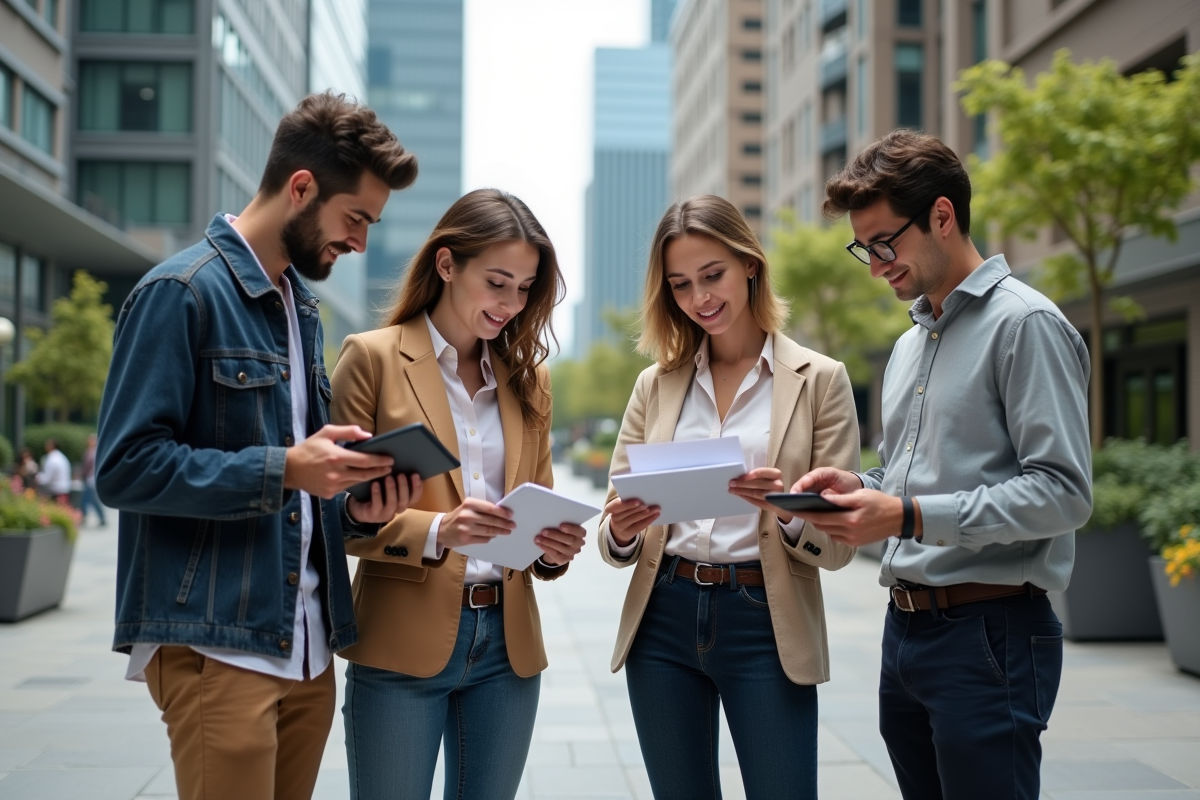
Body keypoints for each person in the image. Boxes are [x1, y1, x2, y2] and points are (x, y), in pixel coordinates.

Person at [95, 92, 422, 800]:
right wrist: (287, 467)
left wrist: (355, 507)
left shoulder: (299, 309)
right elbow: (123, 468)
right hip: (219, 646)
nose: (361, 241)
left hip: (305, 648)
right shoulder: (180, 292)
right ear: (301, 187)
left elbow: (298, 496)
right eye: (355, 218)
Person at [788, 130, 1092, 800]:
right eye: (862, 249)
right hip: (907, 634)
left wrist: (907, 514)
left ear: (943, 217)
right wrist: (858, 488)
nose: (874, 266)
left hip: (992, 634)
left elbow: (1064, 493)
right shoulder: (907, 346)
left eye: (884, 244)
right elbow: (903, 480)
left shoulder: (1025, 326)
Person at [598, 195, 861, 800]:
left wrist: (789, 509)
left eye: (712, 275)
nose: (700, 298)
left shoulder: (819, 380)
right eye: (681, 284)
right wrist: (626, 528)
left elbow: (841, 542)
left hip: (765, 616)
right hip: (662, 614)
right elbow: (613, 537)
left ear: (749, 264)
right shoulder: (655, 384)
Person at [330, 188, 587, 800]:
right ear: (447, 264)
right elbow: (329, 516)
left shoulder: (530, 381)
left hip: (508, 647)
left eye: (524, 289)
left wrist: (552, 548)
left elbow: (539, 503)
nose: (510, 304)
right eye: (497, 283)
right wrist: (439, 531)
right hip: (400, 645)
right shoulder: (371, 359)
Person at [81, 434, 105, 526]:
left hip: (90, 480)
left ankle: (85, 517)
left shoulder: (90, 452)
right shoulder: (97, 452)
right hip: (93, 479)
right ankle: (84, 517)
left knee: (89, 500)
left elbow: (86, 467)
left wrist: (83, 474)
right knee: (88, 500)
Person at [37, 438, 71, 503]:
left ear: (52, 446)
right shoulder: (61, 457)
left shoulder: (51, 459)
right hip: (65, 490)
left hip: (56, 492)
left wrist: (36, 477)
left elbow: (47, 479)